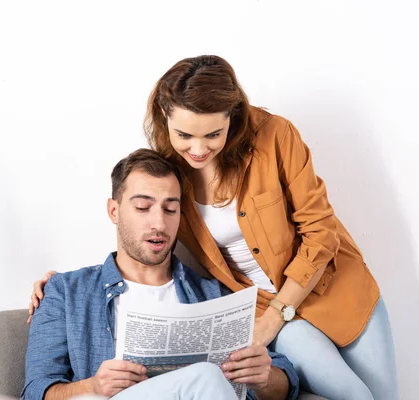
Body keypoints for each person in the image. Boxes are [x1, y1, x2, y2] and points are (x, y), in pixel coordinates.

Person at [28, 55, 398, 400]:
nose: (198, 149)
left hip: (330, 287)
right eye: (185, 135)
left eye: (213, 135)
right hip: (263, 306)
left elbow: (320, 232)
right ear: (164, 118)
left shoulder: (274, 137)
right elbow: (146, 210)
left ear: (232, 119)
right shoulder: (170, 170)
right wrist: (63, 287)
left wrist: (272, 322)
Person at [23, 149, 299, 400]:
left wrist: (264, 378)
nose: (159, 223)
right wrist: (92, 386)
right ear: (114, 211)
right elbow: (36, 391)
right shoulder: (65, 291)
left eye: (170, 209)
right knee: (206, 375)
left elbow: (285, 377)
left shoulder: (213, 294)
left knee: (210, 378)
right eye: (143, 207)